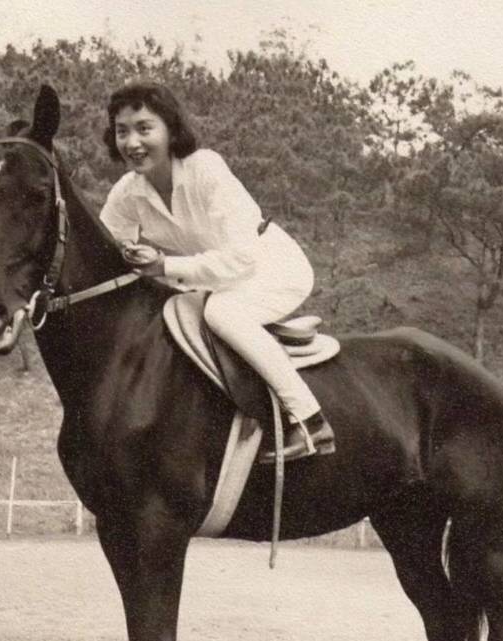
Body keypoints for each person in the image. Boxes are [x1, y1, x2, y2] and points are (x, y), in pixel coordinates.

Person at [100, 81, 334, 461]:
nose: (132, 142)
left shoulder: (205, 168)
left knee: (222, 314)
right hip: (214, 281)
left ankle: (309, 421)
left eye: (144, 128)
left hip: (270, 267)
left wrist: (163, 265)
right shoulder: (127, 192)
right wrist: (130, 253)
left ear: (171, 129)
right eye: (121, 131)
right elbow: (107, 249)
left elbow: (241, 259)